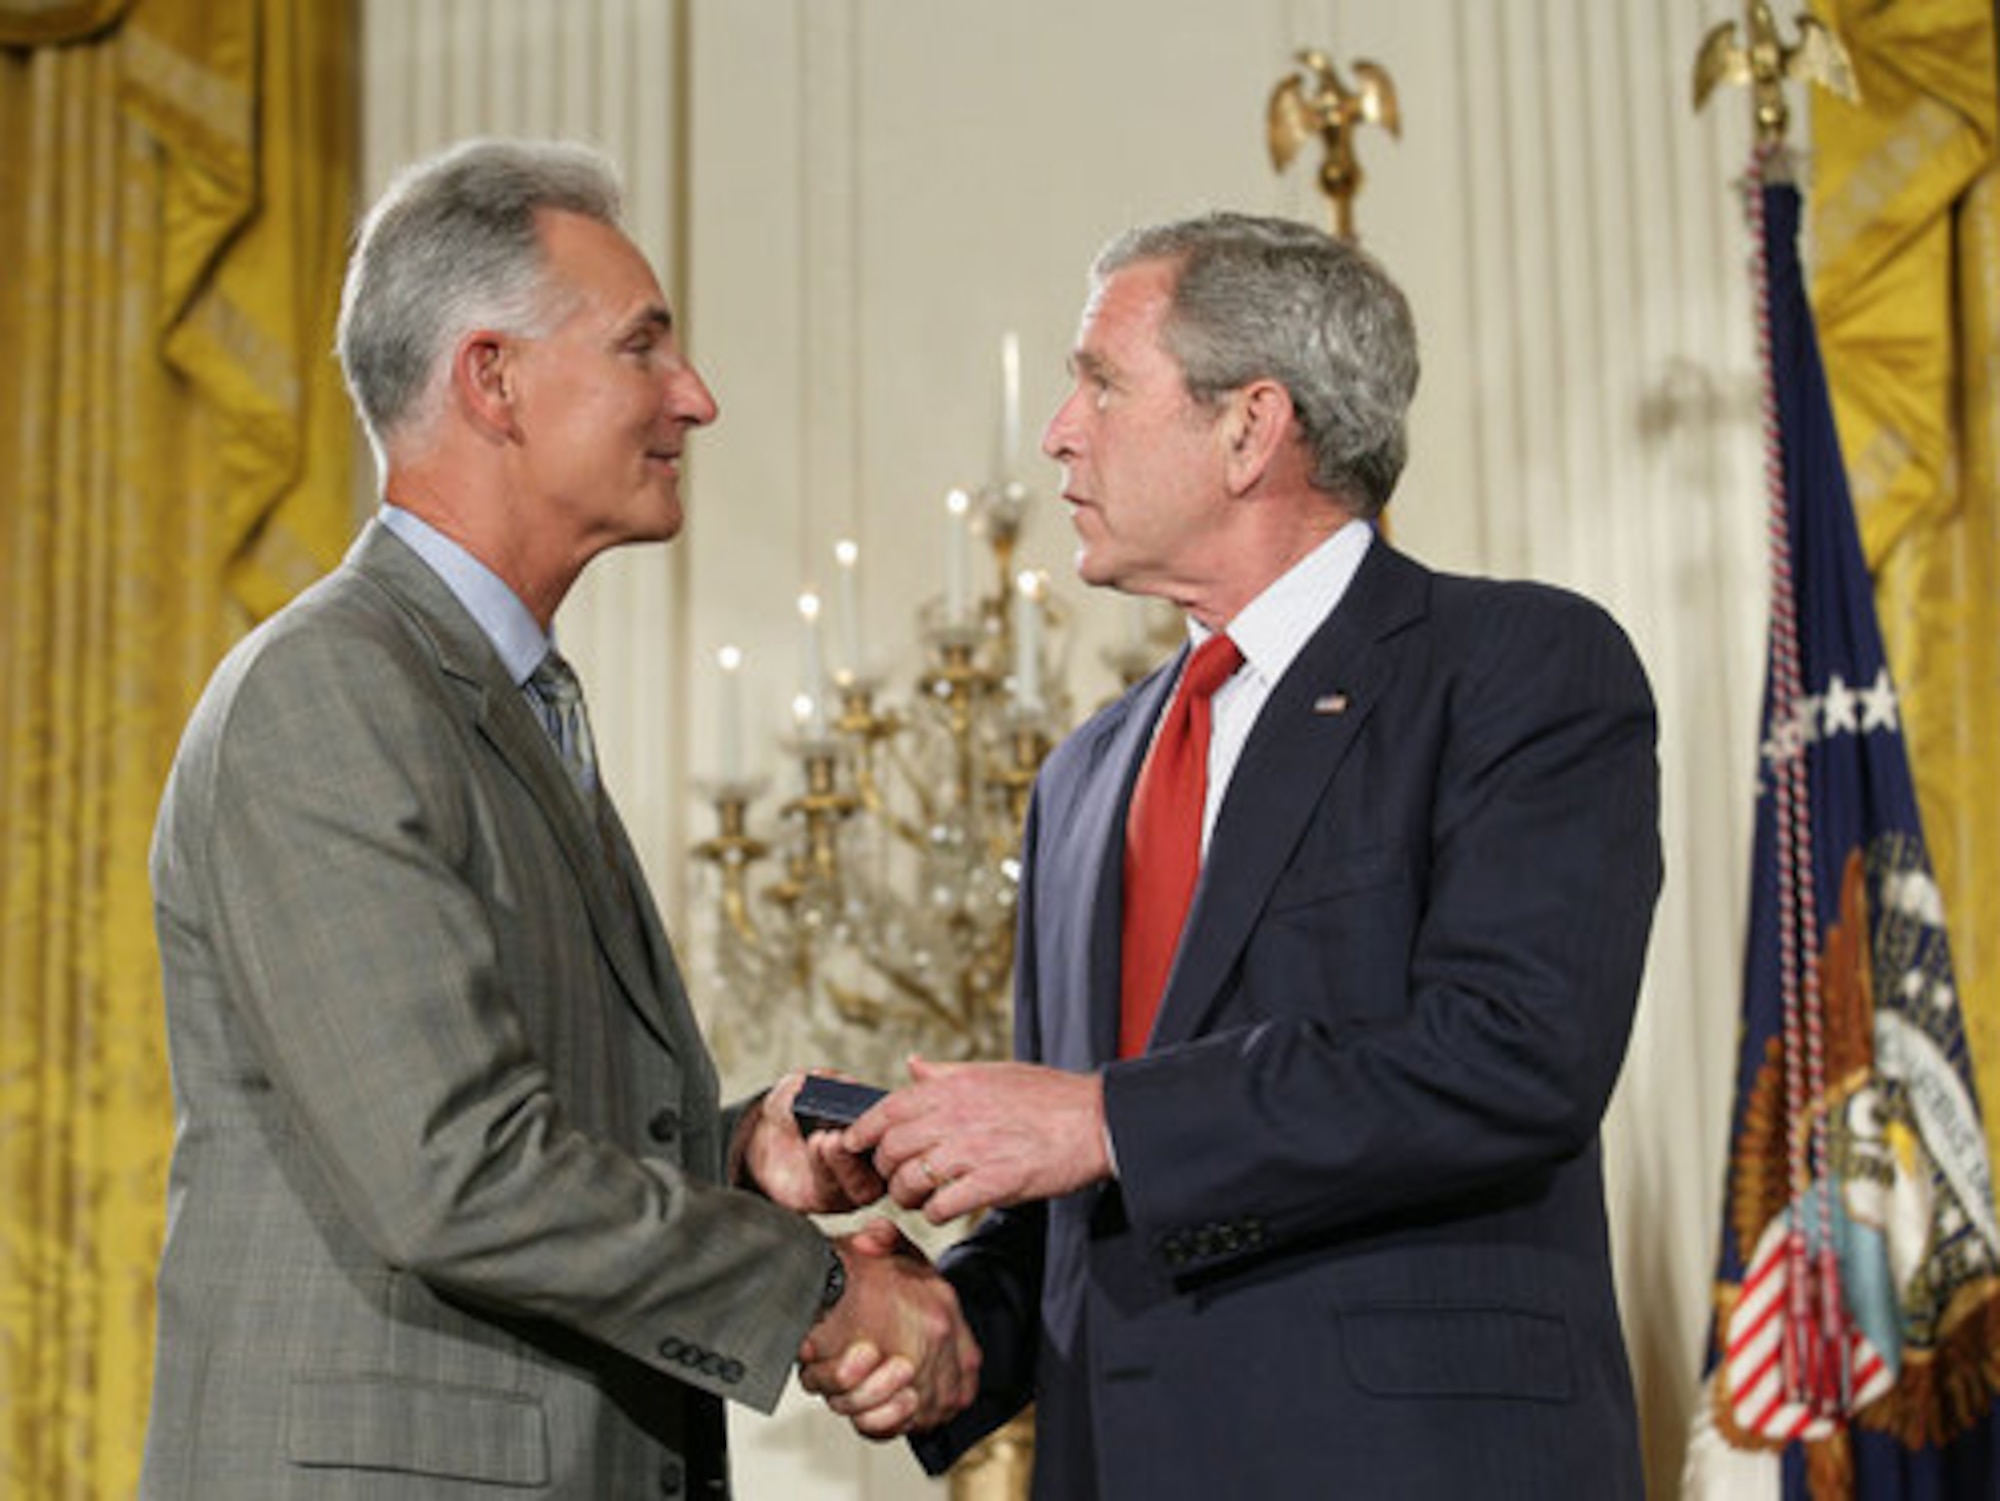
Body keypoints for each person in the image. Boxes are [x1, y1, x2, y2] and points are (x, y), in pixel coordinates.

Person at [142, 138, 976, 1500]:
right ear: (494, 380)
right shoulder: (332, 690)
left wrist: (736, 1155)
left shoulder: (498, 692)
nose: (694, 398)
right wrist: (820, 1294)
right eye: (645, 347)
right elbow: (452, 1173)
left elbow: (494, 1121)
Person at [806, 212, 1661, 1499]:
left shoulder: (1514, 667)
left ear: (1249, 427)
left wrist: (1093, 1115)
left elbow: (1512, 1053)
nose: (1057, 430)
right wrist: (947, 1326)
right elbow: (1080, 1208)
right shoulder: (1085, 775)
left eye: (1098, 380)